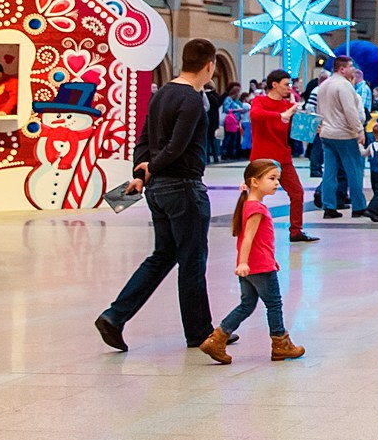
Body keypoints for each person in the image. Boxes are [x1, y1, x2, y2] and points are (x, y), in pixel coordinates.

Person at [96, 39, 224, 353]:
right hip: (183, 187)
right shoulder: (192, 98)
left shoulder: (162, 93)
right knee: (192, 261)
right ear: (209, 65)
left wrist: (142, 174)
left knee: (163, 255)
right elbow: (177, 146)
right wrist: (151, 167)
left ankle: (114, 316)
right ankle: (199, 332)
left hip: (158, 190)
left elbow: (144, 139)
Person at [197, 159, 305, 364]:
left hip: (255, 264)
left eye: (277, 179)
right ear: (255, 182)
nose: (276, 183)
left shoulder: (249, 204)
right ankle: (280, 343)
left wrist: (261, 260)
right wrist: (244, 262)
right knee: (274, 304)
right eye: (271, 178)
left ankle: (217, 338)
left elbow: (258, 241)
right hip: (258, 266)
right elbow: (248, 237)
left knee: (247, 304)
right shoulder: (257, 208)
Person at [248, 70, 313, 244]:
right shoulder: (259, 101)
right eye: (286, 84)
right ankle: (250, 229)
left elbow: (296, 130)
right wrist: (280, 116)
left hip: (282, 157)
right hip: (262, 158)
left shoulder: (287, 105)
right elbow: (255, 114)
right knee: (255, 195)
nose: (289, 88)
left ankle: (296, 231)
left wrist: (311, 127)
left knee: (297, 192)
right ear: (274, 85)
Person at [317, 57, 369, 219]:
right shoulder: (344, 85)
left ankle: (329, 207)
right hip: (344, 134)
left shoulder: (324, 85)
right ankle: (359, 207)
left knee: (329, 172)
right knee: (354, 170)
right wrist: (359, 130)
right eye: (351, 66)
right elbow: (350, 111)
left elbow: (319, 110)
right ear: (342, 69)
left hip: (327, 133)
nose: (353, 69)